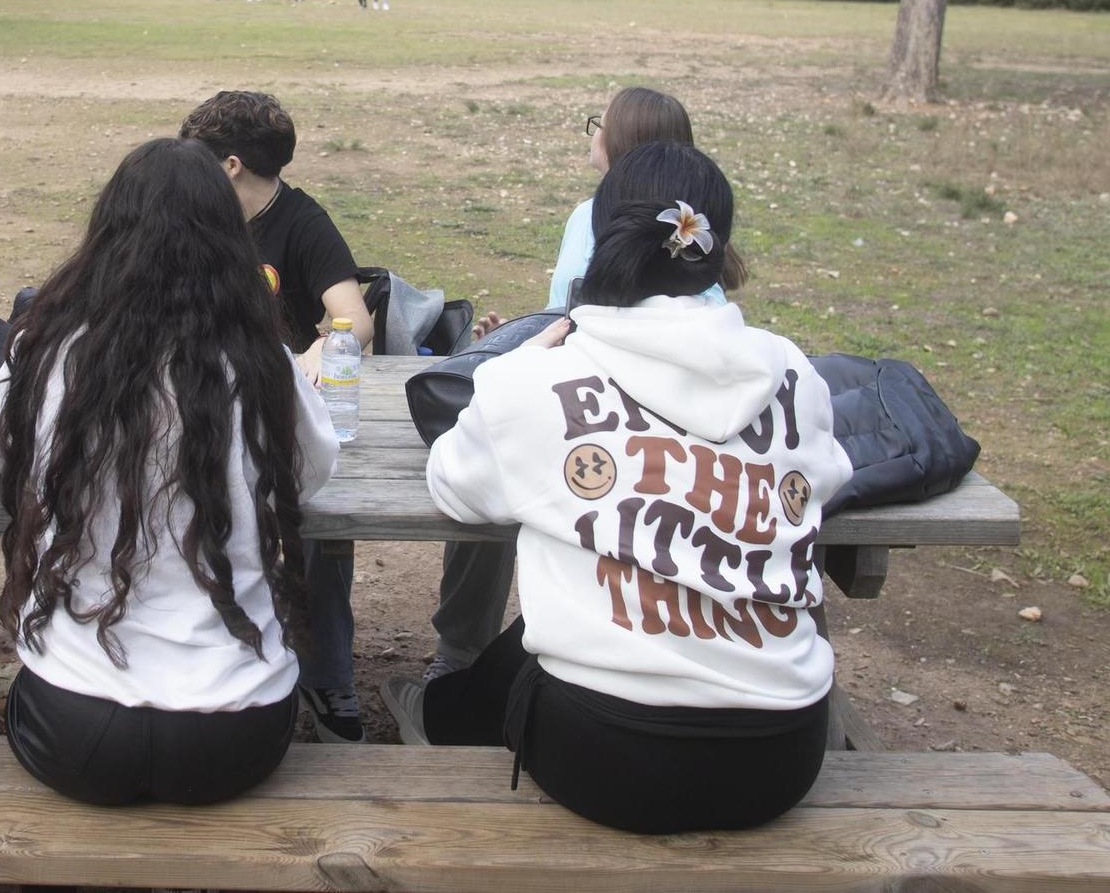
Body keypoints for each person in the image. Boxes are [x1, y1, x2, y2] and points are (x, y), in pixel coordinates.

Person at [380, 141, 850, 834]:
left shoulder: (537, 379)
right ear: (719, 253)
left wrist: (503, 376)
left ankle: (441, 715)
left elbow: (454, 485)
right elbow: (825, 483)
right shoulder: (792, 372)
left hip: (608, 758)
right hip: (783, 755)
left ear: (599, 239)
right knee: (570, 618)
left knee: (564, 622)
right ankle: (447, 709)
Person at [0, 137, 340, 805]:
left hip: (75, 722)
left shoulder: (45, 350)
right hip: (235, 727)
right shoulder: (264, 363)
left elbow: (5, 444)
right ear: (230, 243)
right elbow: (311, 471)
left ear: (106, 234)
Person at [439, 88, 743, 688]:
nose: (590, 134)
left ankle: (459, 655)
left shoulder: (590, 218)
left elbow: (572, 325)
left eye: (596, 125)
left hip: (593, 412)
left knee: (507, 462)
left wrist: (520, 361)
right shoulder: (766, 361)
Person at [178, 91, 374, 744]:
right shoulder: (192, 218)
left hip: (277, 411)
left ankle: (326, 670)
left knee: (318, 520)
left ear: (230, 165)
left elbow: (357, 316)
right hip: (195, 397)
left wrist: (321, 347)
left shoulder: (300, 221)